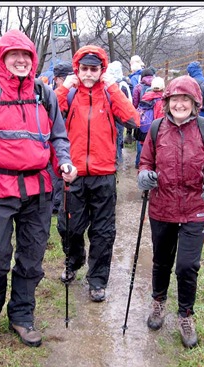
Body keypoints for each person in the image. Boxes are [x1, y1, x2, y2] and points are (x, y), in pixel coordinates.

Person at [0, 29, 77, 347]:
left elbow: (59, 136)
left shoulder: (44, 94)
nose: (20, 60)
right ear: (3, 59)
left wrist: (63, 160)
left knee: (31, 257)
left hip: (39, 189)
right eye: (13, 55)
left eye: (26, 56)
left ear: (33, 60)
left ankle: (22, 315)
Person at [137, 75, 204, 348]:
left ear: (195, 103)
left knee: (188, 266)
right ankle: (158, 301)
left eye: (185, 99)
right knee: (161, 261)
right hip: (162, 207)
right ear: (167, 102)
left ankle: (186, 314)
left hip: (195, 208)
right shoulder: (156, 129)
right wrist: (144, 176)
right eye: (175, 99)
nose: (180, 104)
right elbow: (144, 162)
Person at [54, 45, 140, 302]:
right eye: (84, 69)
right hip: (73, 174)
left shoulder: (109, 94)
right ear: (77, 70)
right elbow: (46, 115)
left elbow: (133, 119)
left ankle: (97, 280)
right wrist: (64, 88)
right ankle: (75, 259)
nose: (89, 74)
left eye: (94, 69)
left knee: (103, 232)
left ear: (101, 70)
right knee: (68, 226)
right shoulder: (69, 95)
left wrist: (113, 87)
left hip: (103, 175)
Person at [49, 60, 74, 214]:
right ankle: (54, 205)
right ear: (56, 78)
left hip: (66, 142)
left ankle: (59, 205)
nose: (67, 81)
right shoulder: (49, 93)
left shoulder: (72, 94)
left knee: (62, 174)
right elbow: (51, 109)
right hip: (51, 142)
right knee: (53, 175)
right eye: (63, 78)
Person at [106, 60, 132, 166]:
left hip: (118, 115)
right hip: (112, 115)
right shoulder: (110, 84)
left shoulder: (122, 85)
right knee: (115, 136)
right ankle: (116, 157)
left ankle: (118, 157)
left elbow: (127, 102)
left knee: (118, 136)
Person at [133, 67, 155, 168]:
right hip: (154, 116)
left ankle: (139, 163)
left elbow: (135, 103)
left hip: (142, 116)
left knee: (140, 140)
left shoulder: (138, 87)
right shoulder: (157, 85)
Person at [124, 55, 145, 144]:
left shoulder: (134, 77)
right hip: (146, 103)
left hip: (138, 103)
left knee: (136, 121)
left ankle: (131, 138)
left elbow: (134, 91)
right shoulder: (146, 73)